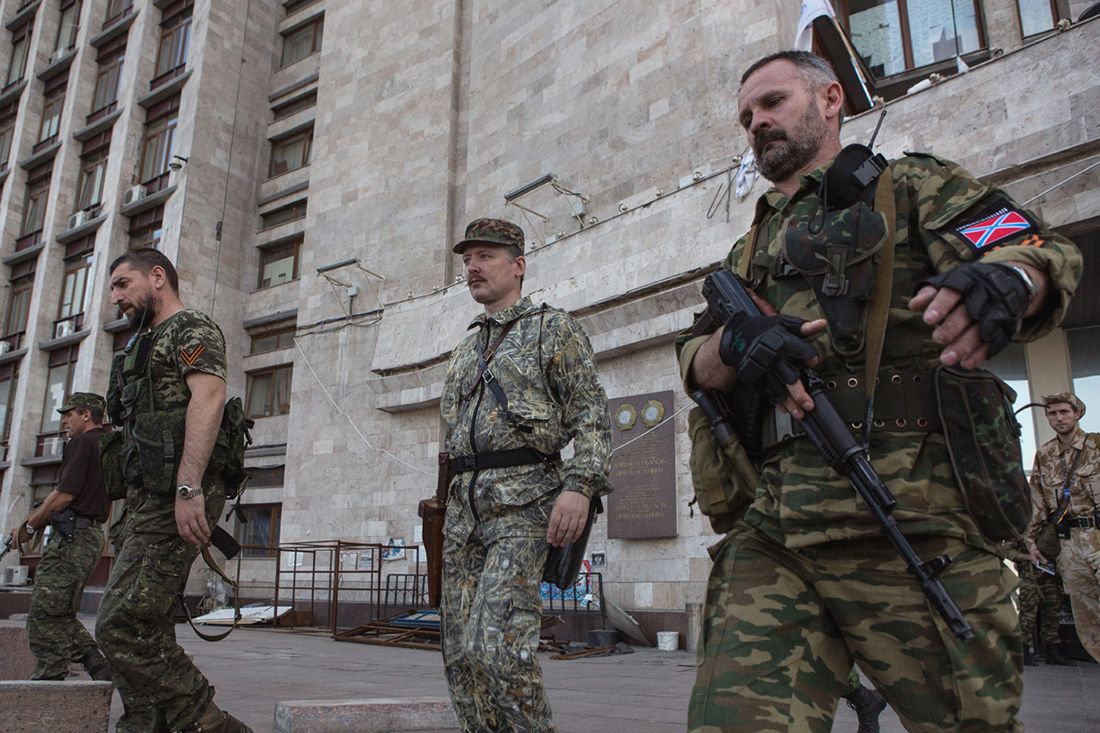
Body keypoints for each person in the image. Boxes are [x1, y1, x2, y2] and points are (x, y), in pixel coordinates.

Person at [678, 51, 1081, 732]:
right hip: (777, 528)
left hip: (911, 519)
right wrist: (735, 345)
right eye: (746, 116)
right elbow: (692, 359)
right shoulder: (747, 251)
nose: (757, 123)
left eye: (772, 102)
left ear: (831, 98)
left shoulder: (911, 187)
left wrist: (1011, 281)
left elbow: (1035, 251)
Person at [439, 218, 613, 731]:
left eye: (485, 256)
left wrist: (580, 487)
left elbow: (591, 414)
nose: (472, 267)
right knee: (460, 657)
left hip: (523, 508)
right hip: (462, 518)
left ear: (518, 265)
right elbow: (453, 437)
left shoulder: (551, 329)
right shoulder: (465, 350)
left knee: (496, 648)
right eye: (467, 259)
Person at [95, 249, 251, 733]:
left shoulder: (190, 328)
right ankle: (144, 723)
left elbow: (209, 397)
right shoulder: (139, 345)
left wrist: (188, 489)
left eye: (123, 284)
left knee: (119, 624)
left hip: (176, 494)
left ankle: (208, 721)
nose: (116, 297)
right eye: (113, 288)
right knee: (149, 620)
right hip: (145, 498)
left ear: (157, 277)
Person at [6, 393, 112, 681]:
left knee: (44, 613)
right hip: (89, 535)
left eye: (69, 414)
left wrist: (29, 526)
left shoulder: (82, 442)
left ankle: (49, 680)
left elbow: (65, 494)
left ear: (86, 415)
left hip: (72, 538)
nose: (65, 421)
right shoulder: (107, 444)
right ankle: (97, 664)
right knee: (60, 610)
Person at [1027, 392, 1100, 663]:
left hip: (1098, 535)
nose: (1058, 418)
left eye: (1064, 412)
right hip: (1070, 545)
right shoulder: (1045, 455)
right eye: (1052, 413)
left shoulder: (1096, 445)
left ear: (1077, 413)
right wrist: (1031, 543)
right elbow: (1036, 502)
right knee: (1087, 619)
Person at [1013, 539, 1068, 666]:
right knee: (1028, 613)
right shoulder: (1021, 530)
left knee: (1052, 611)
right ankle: (1023, 650)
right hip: (1029, 575)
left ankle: (1051, 650)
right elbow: (1007, 551)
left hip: (1050, 575)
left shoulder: (1050, 528)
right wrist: (1029, 557)